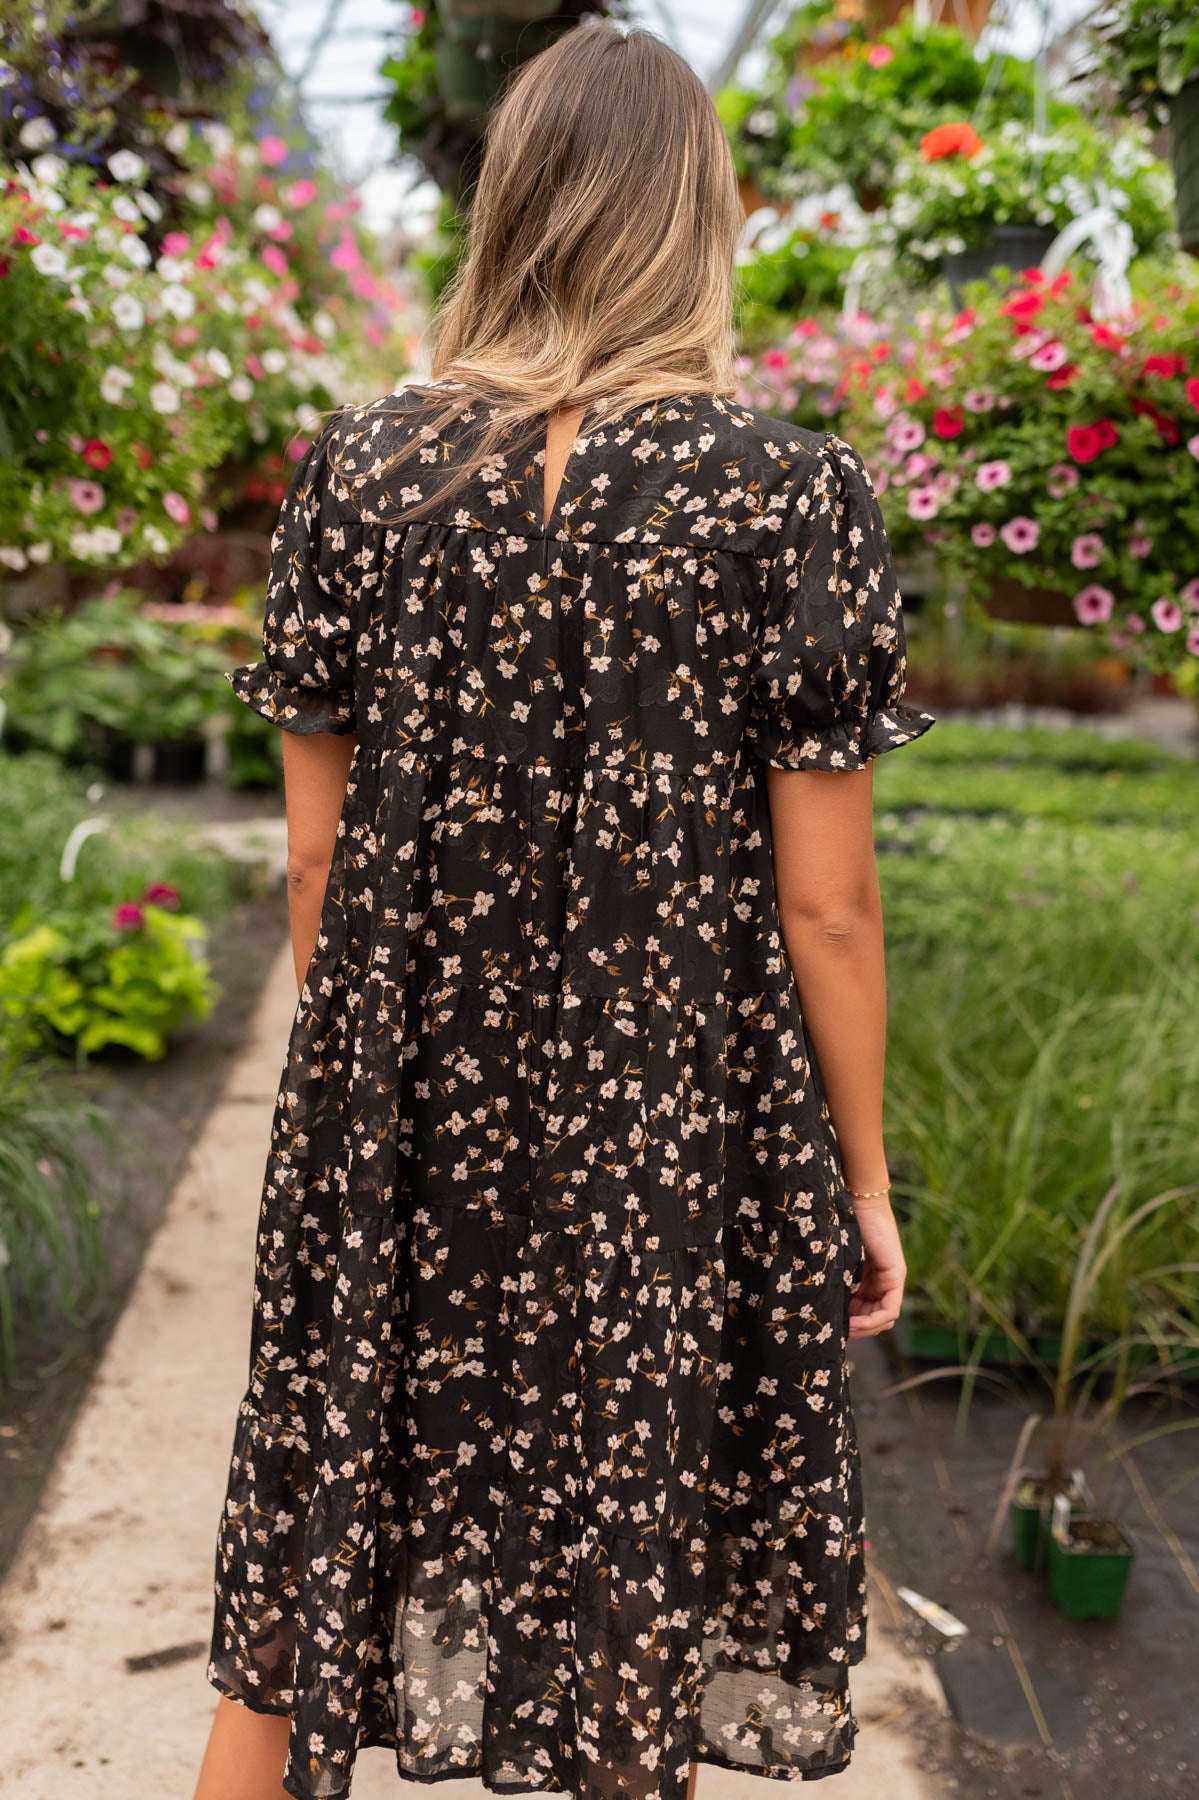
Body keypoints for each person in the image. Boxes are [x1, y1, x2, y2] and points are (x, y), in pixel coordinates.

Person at [193, 18, 935, 1800]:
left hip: (403, 1109)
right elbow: (826, 908)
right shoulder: (788, 498)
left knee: (325, 1545)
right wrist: (863, 1182)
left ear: (510, 207)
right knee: (629, 1568)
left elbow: (317, 861)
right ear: (700, 219)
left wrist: (381, 1091)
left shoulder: (362, 472)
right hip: (672, 1126)